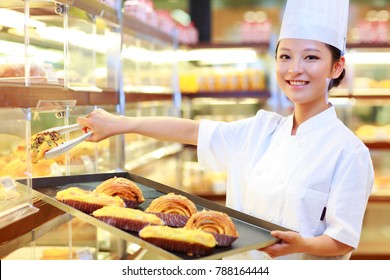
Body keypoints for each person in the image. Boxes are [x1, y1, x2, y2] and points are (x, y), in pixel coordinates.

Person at [77, 0, 374, 260]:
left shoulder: (349, 152)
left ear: (337, 67)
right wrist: (121, 124)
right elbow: (192, 131)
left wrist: (301, 244)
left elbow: (342, 239)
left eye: (311, 57)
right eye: (285, 56)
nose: (295, 69)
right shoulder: (261, 130)